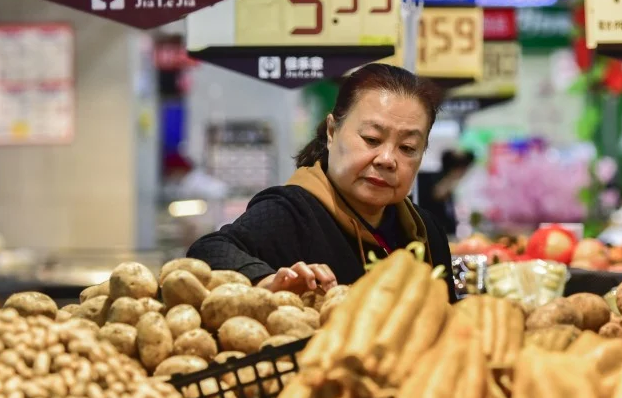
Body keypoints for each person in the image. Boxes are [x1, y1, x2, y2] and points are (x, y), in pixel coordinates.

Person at [187, 64, 456, 302]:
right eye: (372, 139)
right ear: (331, 131)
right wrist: (265, 282)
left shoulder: (425, 230)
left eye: (407, 148)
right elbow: (205, 253)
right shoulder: (290, 213)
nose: (387, 159)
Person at [416, 149, 475, 237]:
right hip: (434, 232)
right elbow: (438, 193)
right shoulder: (433, 179)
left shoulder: (453, 183)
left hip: (447, 232)